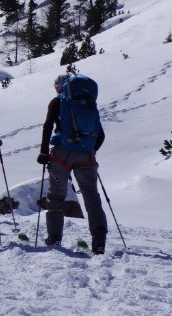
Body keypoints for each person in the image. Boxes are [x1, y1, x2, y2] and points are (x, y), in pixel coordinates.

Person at [37, 74, 107, 253]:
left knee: (56, 196)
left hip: (62, 154)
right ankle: (98, 240)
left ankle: (54, 238)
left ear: (61, 87)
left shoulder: (57, 103)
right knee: (91, 195)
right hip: (86, 156)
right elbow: (101, 135)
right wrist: (89, 149)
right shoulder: (89, 102)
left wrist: (44, 152)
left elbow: (47, 126)